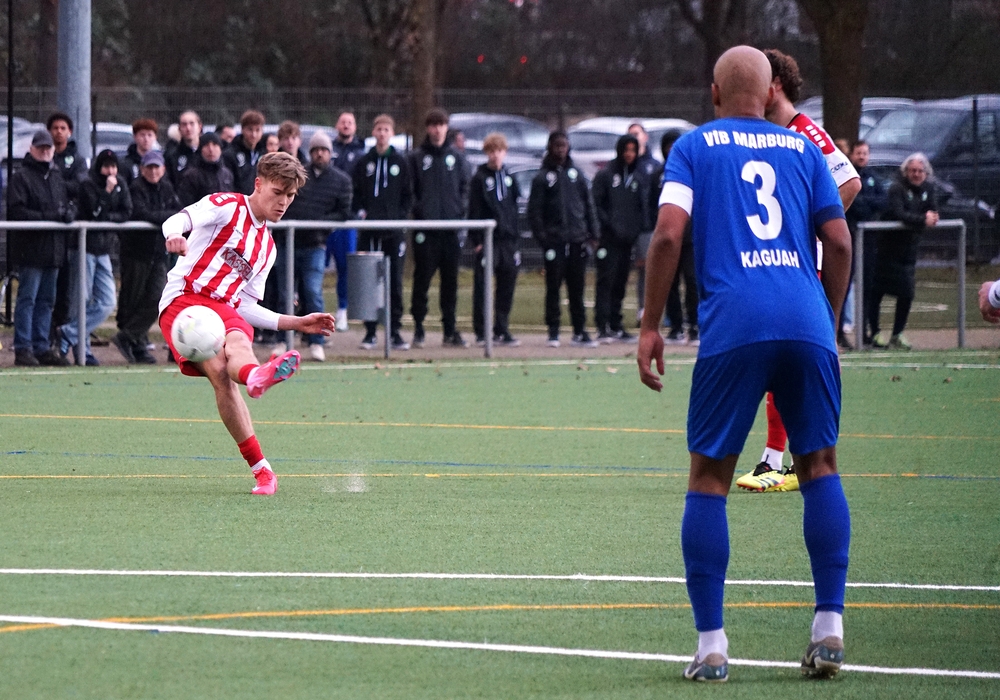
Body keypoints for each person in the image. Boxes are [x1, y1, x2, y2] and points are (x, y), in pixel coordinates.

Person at [637, 45, 853, 683]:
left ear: (714, 93)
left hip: (735, 321)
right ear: (770, 93)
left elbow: (668, 234)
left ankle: (712, 646)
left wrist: (650, 324)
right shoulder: (805, 149)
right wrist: (827, 321)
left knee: (709, 478)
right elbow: (839, 241)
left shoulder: (693, 148)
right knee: (820, 466)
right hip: (806, 317)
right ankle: (829, 627)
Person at [158, 152, 335, 496]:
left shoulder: (267, 248)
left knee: (239, 343)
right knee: (219, 372)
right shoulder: (226, 206)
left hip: (224, 307)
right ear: (258, 184)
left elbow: (246, 305)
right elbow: (178, 219)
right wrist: (175, 236)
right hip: (185, 299)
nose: (283, 202)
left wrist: (296, 322)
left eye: (290, 195)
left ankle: (256, 377)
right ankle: (260, 466)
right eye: (277, 192)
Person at [735, 48, 861, 493]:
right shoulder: (768, 134)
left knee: (803, 357)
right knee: (781, 355)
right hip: (782, 266)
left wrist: (812, 226)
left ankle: (799, 458)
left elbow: (849, 181)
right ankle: (777, 459)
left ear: (775, 86)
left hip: (808, 267)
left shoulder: (804, 131)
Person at [273, 130, 352, 363]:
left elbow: (344, 212)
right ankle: (283, 340)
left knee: (313, 292)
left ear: (330, 153)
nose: (319, 154)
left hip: (315, 245)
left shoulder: (341, 180)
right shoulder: (297, 176)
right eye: (316, 150)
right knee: (285, 294)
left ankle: (317, 342)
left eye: (324, 150)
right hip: (288, 243)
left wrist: (319, 223)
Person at [58, 149, 133, 366]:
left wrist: (109, 215)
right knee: (81, 300)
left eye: (113, 166)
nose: (110, 171)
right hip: (83, 246)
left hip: (103, 249)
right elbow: (95, 213)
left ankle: (68, 333)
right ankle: (83, 351)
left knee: (108, 301)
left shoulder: (120, 183)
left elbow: (126, 211)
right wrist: (107, 194)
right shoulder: (88, 185)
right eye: (106, 166)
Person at [8, 130, 74, 367]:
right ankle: (23, 347)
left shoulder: (55, 176)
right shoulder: (22, 177)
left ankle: (41, 346)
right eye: (41, 148)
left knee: (46, 301)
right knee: (28, 299)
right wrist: (51, 216)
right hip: (31, 251)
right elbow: (17, 212)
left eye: (48, 148)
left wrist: (68, 213)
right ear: (32, 149)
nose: (45, 151)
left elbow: (64, 205)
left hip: (53, 250)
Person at [528, 130, 599, 348]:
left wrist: (593, 234)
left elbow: (588, 205)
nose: (561, 150)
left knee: (577, 289)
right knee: (553, 288)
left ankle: (580, 330)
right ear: (550, 148)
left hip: (577, 240)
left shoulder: (576, 174)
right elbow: (535, 212)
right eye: (557, 146)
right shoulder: (542, 178)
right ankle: (553, 331)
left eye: (564, 146)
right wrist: (544, 238)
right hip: (555, 242)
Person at [409, 108, 470, 348]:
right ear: (428, 128)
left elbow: (465, 188)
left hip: (450, 232)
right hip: (426, 232)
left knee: (450, 283)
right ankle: (418, 328)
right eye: (433, 125)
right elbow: (411, 191)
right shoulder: (416, 158)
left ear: (446, 128)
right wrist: (421, 211)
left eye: (441, 125)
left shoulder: (457, 158)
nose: (437, 130)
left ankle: (449, 330)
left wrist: (458, 210)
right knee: (422, 281)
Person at [352, 114, 412, 350]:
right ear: (373, 132)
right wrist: (361, 212)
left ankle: (394, 331)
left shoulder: (400, 162)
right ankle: (370, 332)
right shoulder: (364, 162)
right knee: (369, 281)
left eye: (386, 129)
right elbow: (355, 193)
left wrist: (400, 217)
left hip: (393, 232)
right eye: (379, 129)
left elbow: (408, 195)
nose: (382, 133)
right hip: (369, 231)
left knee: (394, 281)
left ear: (392, 133)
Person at [115, 150, 181, 364]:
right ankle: (137, 344)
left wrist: (162, 218)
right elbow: (142, 213)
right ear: (142, 169)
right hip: (137, 253)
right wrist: (165, 218)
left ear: (163, 169)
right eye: (149, 167)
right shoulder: (136, 187)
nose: (153, 171)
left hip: (158, 253)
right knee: (133, 300)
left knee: (159, 297)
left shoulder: (167, 187)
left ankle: (128, 337)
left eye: (156, 167)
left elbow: (178, 211)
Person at [870, 152, 938, 349]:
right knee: (877, 293)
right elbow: (900, 213)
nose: (916, 174)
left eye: (920, 171)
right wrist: (922, 219)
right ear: (906, 171)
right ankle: (874, 333)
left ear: (925, 173)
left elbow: (932, 210)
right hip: (887, 249)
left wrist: (931, 217)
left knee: (907, 293)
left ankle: (897, 334)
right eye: (912, 170)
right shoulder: (896, 188)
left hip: (909, 250)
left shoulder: (928, 188)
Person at [592, 134, 647, 343]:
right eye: (626, 150)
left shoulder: (638, 178)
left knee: (621, 283)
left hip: (627, 241)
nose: (629, 154)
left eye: (633, 150)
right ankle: (602, 326)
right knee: (606, 281)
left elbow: (641, 208)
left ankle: (616, 324)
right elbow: (597, 205)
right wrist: (608, 226)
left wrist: (635, 230)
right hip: (608, 240)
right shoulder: (605, 175)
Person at [469, 132, 521, 346]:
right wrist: (477, 241)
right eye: (491, 151)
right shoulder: (480, 179)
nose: (495, 155)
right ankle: (482, 331)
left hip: (508, 241)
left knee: (507, 285)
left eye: (499, 151)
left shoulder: (510, 178)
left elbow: (514, 209)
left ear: (504, 152)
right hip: (488, 239)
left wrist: (515, 239)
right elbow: (473, 210)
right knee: (483, 286)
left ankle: (502, 328)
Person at [47, 112, 88, 343]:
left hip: (70, 235)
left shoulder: (77, 159)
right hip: (46, 234)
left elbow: (80, 186)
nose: (59, 132)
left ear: (69, 132)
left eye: (63, 128)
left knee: (66, 288)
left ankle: (60, 334)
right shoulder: (44, 154)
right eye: (55, 128)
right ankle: (45, 335)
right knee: (47, 289)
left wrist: (54, 185)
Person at [846, 139, 888, 346]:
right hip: (851, 237)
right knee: (845, 285)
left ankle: (864, 333)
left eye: (865, 153)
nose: (862, 156)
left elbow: (883, 201)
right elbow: (854, 204)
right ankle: (839, 334)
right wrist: (866, 205)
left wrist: (865, 203)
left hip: (869, 241)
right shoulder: (847, 175)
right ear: (852, 155)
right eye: (858, 153)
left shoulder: (872, 178)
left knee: (868, 286)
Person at [659, 129, 699, 345]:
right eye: (669, 146)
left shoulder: (693, 172)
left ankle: (694, 325)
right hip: (669, 238)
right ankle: (675, 326)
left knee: (692, 281)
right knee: (669, 282)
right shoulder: (658, 174)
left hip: (690, 238)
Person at [328, 112, 366, 330]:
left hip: (347, 220)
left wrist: (359, 209)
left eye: (350, 122)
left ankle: (342, 310)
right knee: (315, 267)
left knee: (344, 266)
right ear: (337, 125)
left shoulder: (361, 154)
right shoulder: (327, 150)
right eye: (343, 122)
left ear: (355, 127)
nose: (346, 125)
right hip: (323, 219)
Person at [177, 132, 235, 207]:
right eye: (206, 145)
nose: (211, 149)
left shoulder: (227, 174)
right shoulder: (191, 175)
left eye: (214, 145)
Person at [224, 110, 266, 194]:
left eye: (257, 130)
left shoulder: (265, 154)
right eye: (250, 129)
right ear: (242, 129)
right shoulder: (230, 154)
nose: (254, 134)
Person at [165, 110, 203, 187]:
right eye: (184, 124)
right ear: (179, 129)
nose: (188, 128)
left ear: (199, 127)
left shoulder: (208, 153)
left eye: (192, 123)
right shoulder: (171, 156)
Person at [121, 118, 159, 186]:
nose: (146, 139)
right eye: (142, 135)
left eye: (149, 135)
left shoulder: (159, 163)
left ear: (155, 137)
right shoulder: (126, 164)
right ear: (135, 137)